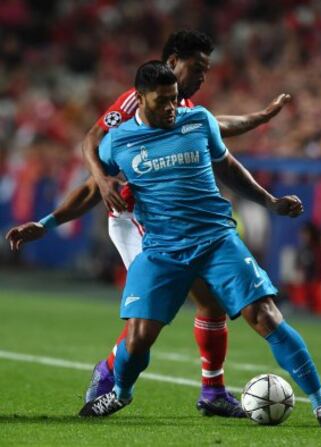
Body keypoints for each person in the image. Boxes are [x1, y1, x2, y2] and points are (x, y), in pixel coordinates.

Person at [6, 30, 292, 419]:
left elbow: (217, 123)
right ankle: (110, 375)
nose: (204, 75)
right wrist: (93, 187)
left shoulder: (179, 105)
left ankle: (212, 391)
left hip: (165, 221)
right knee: (158, 309)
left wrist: (260, 117)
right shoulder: (132, 103)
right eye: (198, 67)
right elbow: (92, 142)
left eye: (208, 69)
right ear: (174, 61)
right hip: (135, 221)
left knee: (210, 302)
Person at [78, 61, 321, 428]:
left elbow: (230, 168)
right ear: (139, 98)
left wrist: (270, 201)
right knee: (138, 338)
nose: (172, 107)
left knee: (266, 316)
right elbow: (91, 185)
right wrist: (49, 220)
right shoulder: (119, 141)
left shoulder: (198, 120)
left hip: (217, 240)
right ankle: (121, 393)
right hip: (162, 249)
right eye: (162, 101)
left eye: (174, 99)